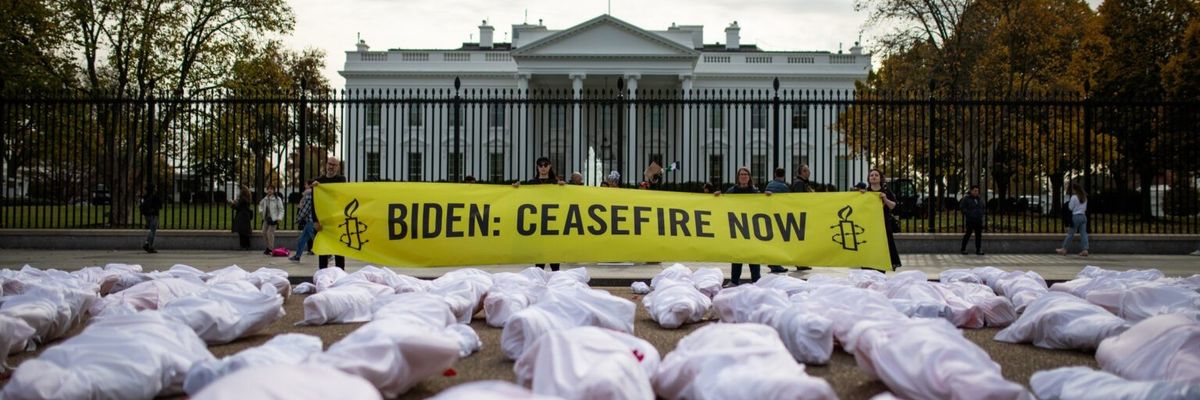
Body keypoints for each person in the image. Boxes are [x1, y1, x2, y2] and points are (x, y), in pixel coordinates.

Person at [715, 166, 768, 285]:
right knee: (737, 256)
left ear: (749, 177)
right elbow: (724, 204)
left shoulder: (755, 192)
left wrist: (768, 196)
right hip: (737, 228)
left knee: (753, 256)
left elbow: (762, 205)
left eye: (746, 174)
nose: (743, 176)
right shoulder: (731, 191)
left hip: (752, 228)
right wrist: (718, 197)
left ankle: (756, 280)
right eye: (741, 174)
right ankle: (734, 281)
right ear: (738, 177)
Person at [513, 156, 565, 271]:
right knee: (539, 261)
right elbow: (522, 197)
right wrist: (516, 188)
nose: (543, 167)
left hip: (552, 222)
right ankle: (539, 284)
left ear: (549, 166)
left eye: (545, 165)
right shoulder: (531, 183)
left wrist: (564, 187)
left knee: (554, 260)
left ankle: (556, 283)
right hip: (538, 222)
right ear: (537, 167)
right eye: (540, 165)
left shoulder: (556, 183)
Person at [860, 168, 901, 269]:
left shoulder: (886, 191)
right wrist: (860, 196)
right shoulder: (866, 192)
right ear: (869, 179)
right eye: (871, 175)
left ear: (880, 178)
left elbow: (893, 206)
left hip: (883, 225)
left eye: (876, 175)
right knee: (869, 247)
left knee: (883, 247)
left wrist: (885, 199)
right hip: (869, 226)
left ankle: (881, 269)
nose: (874, 177)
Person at [313, 157, 348, 269]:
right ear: (326, 164)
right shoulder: (319, 181)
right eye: (329, 164)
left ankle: (340, 273)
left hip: (337, 219)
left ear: (338, 167)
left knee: (339, 249)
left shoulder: (341, 179)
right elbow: (314, 203)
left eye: (334, 165)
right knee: (323, 250)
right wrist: (315, 220)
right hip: (323, 221)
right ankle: (323, 273)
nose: (331, 166)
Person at [764, 167, 790, 273]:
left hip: (769, 214)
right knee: (778, 240)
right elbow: (788, 200)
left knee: (772, 240)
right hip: (779, 215)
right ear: (783, 175)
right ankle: (776, 264)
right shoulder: (784, 187)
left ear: (775, 174)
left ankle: (772, 261)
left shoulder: (769, 185)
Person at [1056, 183, 1089, 257]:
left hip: (1076, 216)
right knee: (1084, 234)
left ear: (1074, 189)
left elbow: (1070, 208)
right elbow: (1085, 208)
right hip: (1083, 216)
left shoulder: (1074, 197)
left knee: (1070, 234)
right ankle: (1085, 250)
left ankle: (1064, 249)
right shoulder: (1084, 197)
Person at [289, 180, 316, 262]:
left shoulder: (308, 196)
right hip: (310, 220)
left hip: (310, 220)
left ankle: (328, 255)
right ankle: (297, 256)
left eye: (306, 184)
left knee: (316, 239)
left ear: (309, 186)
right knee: (302, 239)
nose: (304, 186)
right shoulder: (311, 195)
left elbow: (306, 209)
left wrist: (298, 219)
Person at [258, 184, 285, 255]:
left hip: (274, 218)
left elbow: (281, 209)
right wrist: (261, 211)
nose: (269, 190)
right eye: (268, 189)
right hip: (267, 218)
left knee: (270, 233)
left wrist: (279, 218)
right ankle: (268, 247)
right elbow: (260, 204)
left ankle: (271, 248)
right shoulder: (265, 198)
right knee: (263, 232)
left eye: (271, 189)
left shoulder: (277, 199)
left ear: (274, 190)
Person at [959, 185, 985, 255]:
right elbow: (962, 208)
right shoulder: (966, 199)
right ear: (971, 191)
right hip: (970, 220)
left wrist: (981, 213)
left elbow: (982, 207)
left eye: (977, 191)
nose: (976, 192)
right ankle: (963, 249)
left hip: (978, 220)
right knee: (968, 234)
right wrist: (969, 214)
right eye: (975, 191)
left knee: (978, 235)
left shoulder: (979, 199)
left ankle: (978, 249)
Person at [139, 185, 162, 254]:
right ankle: (149, 246)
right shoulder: (156, 197)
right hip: (154, 215)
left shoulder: (145, 197)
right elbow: (160, 206)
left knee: (150, 230)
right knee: (153, 231)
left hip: (147, 215)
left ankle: (147, 243)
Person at [231, 184, 254, 250]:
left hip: (241, 216)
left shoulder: (242, 199)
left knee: (242, 232)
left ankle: (243, 246)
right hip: (246, 216)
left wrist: (233, 204)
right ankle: (246, 246)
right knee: (245, 232)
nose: (239, 191)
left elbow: (238, 207)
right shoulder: (247, 197)